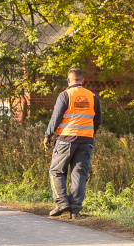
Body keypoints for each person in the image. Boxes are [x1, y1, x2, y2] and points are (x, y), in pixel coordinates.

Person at [43, 67, 102, 219]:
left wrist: (48, 135)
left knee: (56, 171)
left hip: (65, 140)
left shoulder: (65, 95)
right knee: (79, 174)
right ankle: (75, 211)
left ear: (69, 81)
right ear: (82, 80)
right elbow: (98, 120)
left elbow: (56, 117)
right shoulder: (93, 97)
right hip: (86, 141)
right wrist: (89, 133)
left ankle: (62, 203)